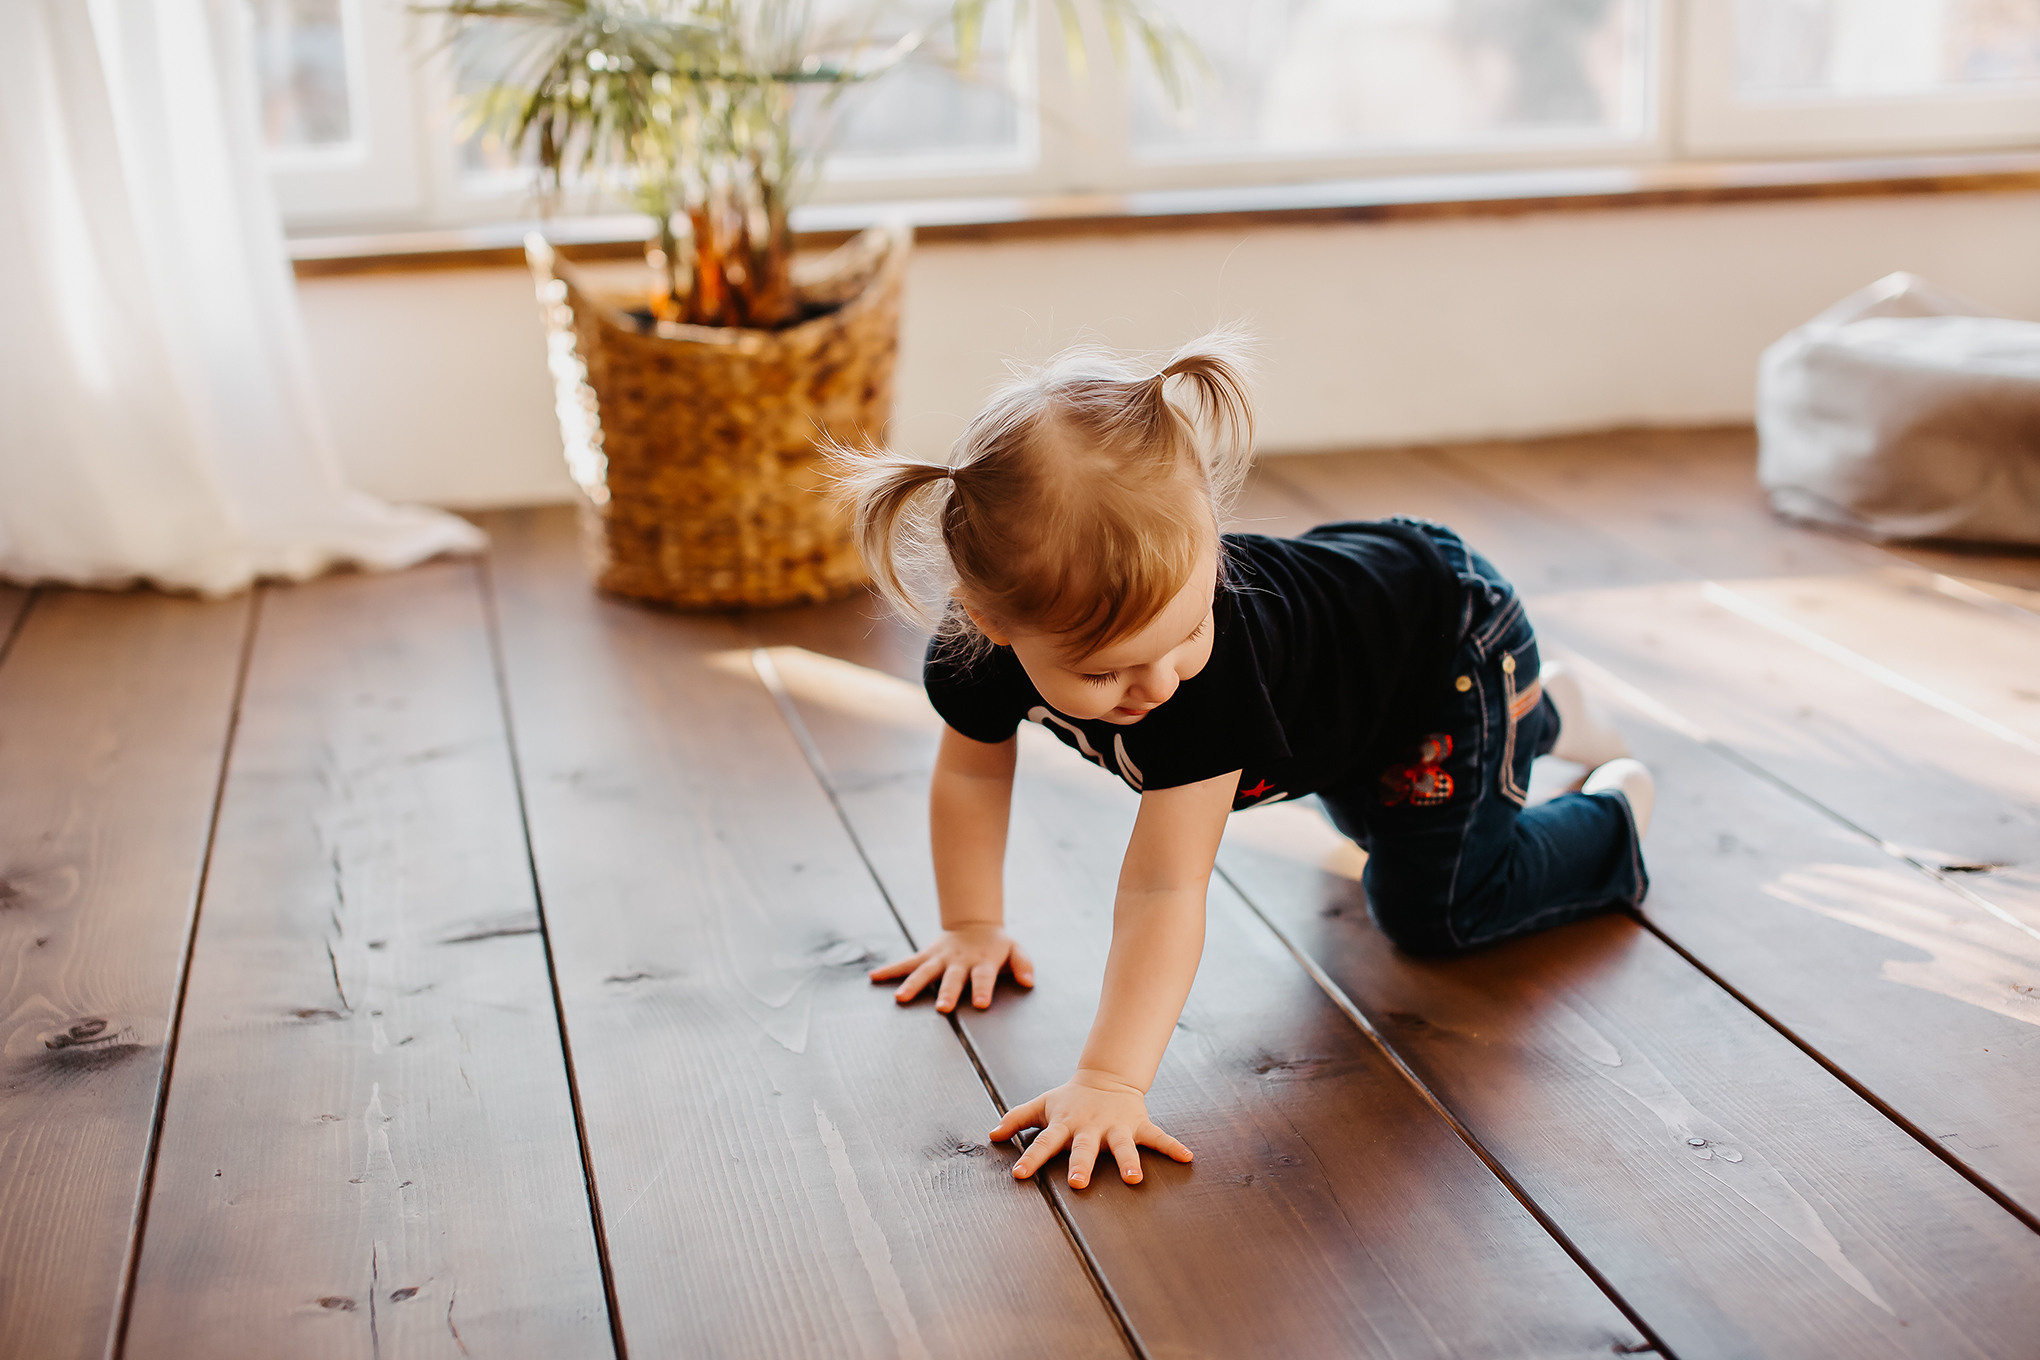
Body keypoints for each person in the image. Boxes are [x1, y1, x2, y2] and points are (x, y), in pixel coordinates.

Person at [831, 329, 1651, 1192]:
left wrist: (1111, 1081)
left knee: (1433, 907)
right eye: (1105, 671)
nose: (1158, 683)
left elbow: (1163, 887)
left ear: (1211, 547)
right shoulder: (979, 656)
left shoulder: (1211, 684)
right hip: (1356, 699)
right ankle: (1537, 713)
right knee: (1378, 816)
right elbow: (969, 772)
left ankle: (1612, 813)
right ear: (992, 624)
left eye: (1188, 630)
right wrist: (971, 926)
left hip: (1443, 649)